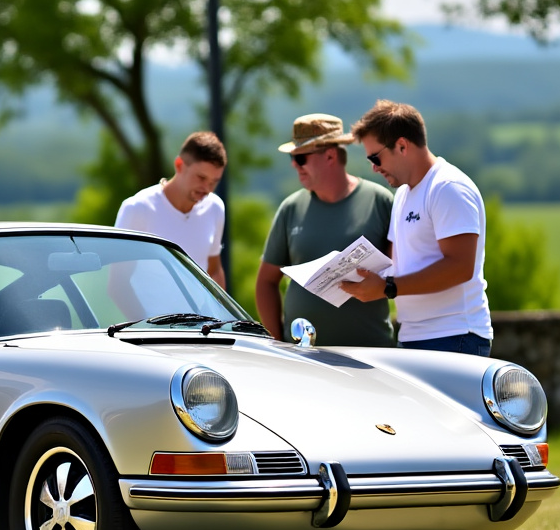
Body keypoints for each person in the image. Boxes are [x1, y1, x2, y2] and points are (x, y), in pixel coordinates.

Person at [340, 99, 493, 355]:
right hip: (414, 335)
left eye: (375, 157)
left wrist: (388, 287)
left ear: (402, 146)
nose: (374, 168)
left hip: (454, 336)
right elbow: (396, 261)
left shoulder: (448, 188)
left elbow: (460, 267)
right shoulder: (403, 194)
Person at [256, 114, 394, 347]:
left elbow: (402, 271)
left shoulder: (380, 201)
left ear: (330, 155)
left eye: (300, 159)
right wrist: (278, 344)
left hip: (371, 355)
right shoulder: (290, 208)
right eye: (293, 158)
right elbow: (266, 282)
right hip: (304, 360)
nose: (293, 165)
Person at [114, 131, 228, 289]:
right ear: (180, 165)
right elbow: (117, 284)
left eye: (214, 182)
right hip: (153, 315)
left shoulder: (215, 207)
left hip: (199, 314)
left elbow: (214, 271)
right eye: (201, 178)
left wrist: (219, 312)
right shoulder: (137, 208)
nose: (207, 188)